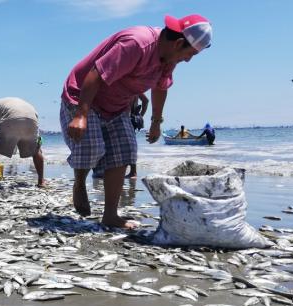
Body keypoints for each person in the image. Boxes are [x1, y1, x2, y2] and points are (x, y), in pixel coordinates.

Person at [61, 14, 212, 228]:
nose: (187, 60)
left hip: (117, 105)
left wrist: (156, 122)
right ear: (178, 43)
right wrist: (81, 115)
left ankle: (110, 215)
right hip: (83, 95)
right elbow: (95, 74)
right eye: (189, 54)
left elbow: (160, 87)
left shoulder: (168, 58)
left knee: (126, 150)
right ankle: (79, 184)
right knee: (92, 147)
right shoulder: (137, 44)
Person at [126, 93, 149, 178]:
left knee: (128, 145)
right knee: (130, 144)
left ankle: (133, 172)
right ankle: (132, 171)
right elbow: (145, 101)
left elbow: (146, 101)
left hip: (127, 118)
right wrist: (141, 116)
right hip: (134, 118)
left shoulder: (126, 87)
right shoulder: (136, 88)